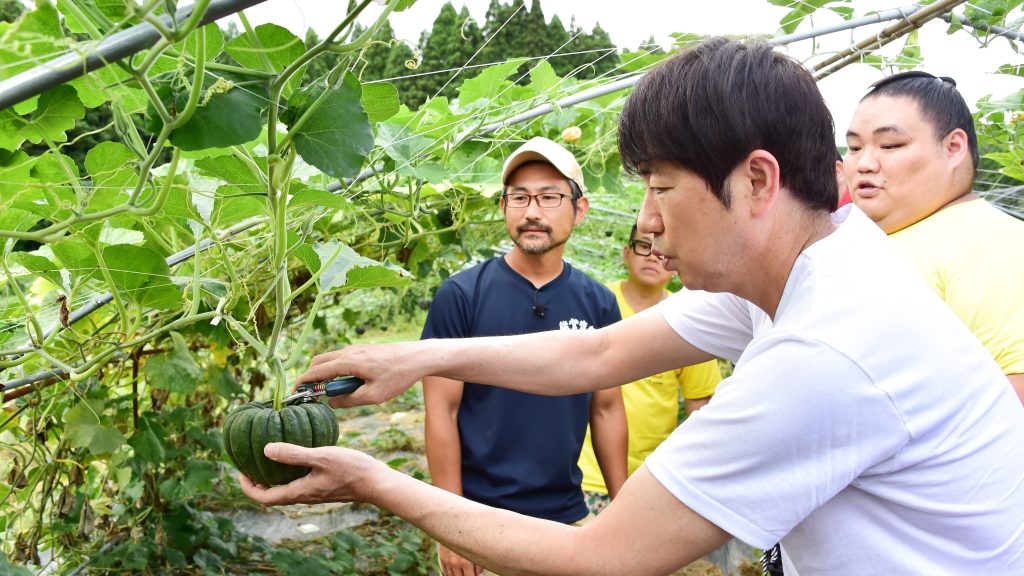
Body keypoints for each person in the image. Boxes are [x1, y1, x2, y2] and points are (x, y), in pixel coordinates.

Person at [241, 38, 1024, 576]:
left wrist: (373, 481)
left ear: (757, 181)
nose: (645, 222)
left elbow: (601, 557)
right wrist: (414, 358)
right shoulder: (809, 266)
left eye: (660, 187)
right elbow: (600, 354)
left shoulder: (831, 347)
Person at [420, 136, 627, 576]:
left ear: (580, 207)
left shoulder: (598, 302)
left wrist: (623, 508)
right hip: (481, 524)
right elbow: (441, 409)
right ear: (503, 206)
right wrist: (452, 528)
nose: (533, 212)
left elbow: (606, 409)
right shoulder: (461, 296)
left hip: (569, 519)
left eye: (550, 197)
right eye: (519, 197)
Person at [844, 71, 1024, 404]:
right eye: (854, 147)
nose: (864, 163)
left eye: (890, 145)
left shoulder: (991, 242)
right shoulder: (858, 242)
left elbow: (1016, 390)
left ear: (953, 147)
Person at [576, 224, 719, 515]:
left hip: (649, 480)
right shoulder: (597, 305)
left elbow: (700, 405)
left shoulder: (690, 321)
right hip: (583, 475)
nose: (652, 256)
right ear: (626, 254)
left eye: (662, 250)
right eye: (644, 247)